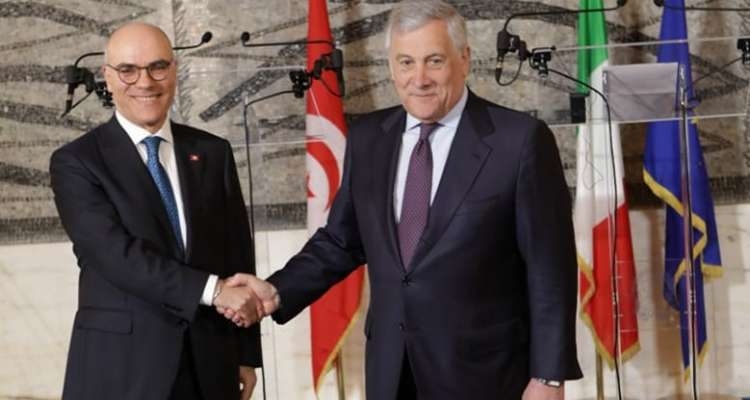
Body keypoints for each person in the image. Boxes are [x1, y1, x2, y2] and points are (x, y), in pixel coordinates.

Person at [227, 1, 582, 399]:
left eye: (434, 61)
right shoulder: (368, 138)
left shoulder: (519, 141)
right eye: (406, 62)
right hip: (392, 371)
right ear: (392, 68)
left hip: (485, 374)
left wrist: (548, 377)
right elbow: (342, 241)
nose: (420, 78)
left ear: (464, 60)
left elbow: (550, 269)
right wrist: (277, 290)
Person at [50, 22, 267, 400]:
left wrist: (245, 353)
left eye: (157, 67)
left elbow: (237, 254)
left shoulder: (213, 152)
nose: (145, 82)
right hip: (122, 368)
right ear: (108, 77)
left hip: (209, 361)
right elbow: (115, 255)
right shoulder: (77, 162)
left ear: (174, 71)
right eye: (128, 70)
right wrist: (213, 290)